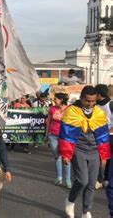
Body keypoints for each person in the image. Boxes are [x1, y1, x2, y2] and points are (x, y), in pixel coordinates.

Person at [60, 86, 110, 218]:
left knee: (91, 183)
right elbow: (66, 134)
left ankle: (86, 211)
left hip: (94, 151)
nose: (91, 104)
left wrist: (104, 155)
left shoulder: (99, 112)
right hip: (78, 149)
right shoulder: (72, 111)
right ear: (82, 98)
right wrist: (66, 154)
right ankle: (70, 201)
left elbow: (103, 136)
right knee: (82, 180)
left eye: (93, 101)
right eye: (88, 101)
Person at [46, 93, 71, 188]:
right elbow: (49, 122)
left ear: (61, 99)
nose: (54, 100)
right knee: (57, 156)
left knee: (66, 157)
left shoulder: (69, 109)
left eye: (56, 99)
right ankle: (59, 177)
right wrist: (46, 135)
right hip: (53, 135)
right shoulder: (52, 109)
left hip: (65, 136)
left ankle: (68, 180)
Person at [96, 84, 113, 190]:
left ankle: (104, 179)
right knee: (101, 158)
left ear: (98, 94)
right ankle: (101, 179)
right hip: (99, 135)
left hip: (110, 136)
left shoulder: (110, 104)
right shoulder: (96, 105)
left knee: (106, 159)